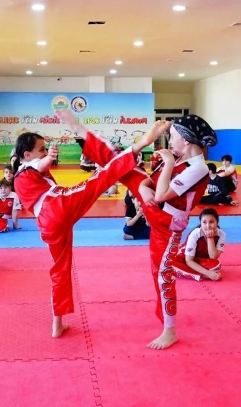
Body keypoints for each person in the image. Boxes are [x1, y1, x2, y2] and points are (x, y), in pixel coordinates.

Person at [13, 109, 161, 338]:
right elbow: (40, 165)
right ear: (27, 154)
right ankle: (142, 143)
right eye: (40, 149)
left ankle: (57, 323)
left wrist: (47, 156)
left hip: (48, 224)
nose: (45, 151)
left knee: (59, 270)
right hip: (56, 207)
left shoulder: (21, 176)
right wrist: (49, 156)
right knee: (103, 177)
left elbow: (40, 168)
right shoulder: (27, 167)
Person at [79, 113, 217, 350]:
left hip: (168, 226)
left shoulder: (198, 168)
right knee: (124, 168)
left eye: (172, 136)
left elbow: (161, 194)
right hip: (155, 215)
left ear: (186, 139)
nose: (169, 141)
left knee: (163, 276)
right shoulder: (178, 158)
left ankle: (169, 330)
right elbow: (150, 183)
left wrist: (168, 164)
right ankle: (85, 137)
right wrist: (143, 190)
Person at [171, 208, 225, 281]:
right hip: (185, 258)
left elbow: (213, 257)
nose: (208, 226)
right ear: (200, 223)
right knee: (169, 264)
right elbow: (189, 261)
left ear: (217, 222)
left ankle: (194, 272)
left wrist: (210, 238)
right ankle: (202, 275)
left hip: (200, 260)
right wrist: (207, 273)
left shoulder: (221, 234)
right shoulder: (195, 234)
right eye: (204, 222)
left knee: (216, 265)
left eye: (211, 222)